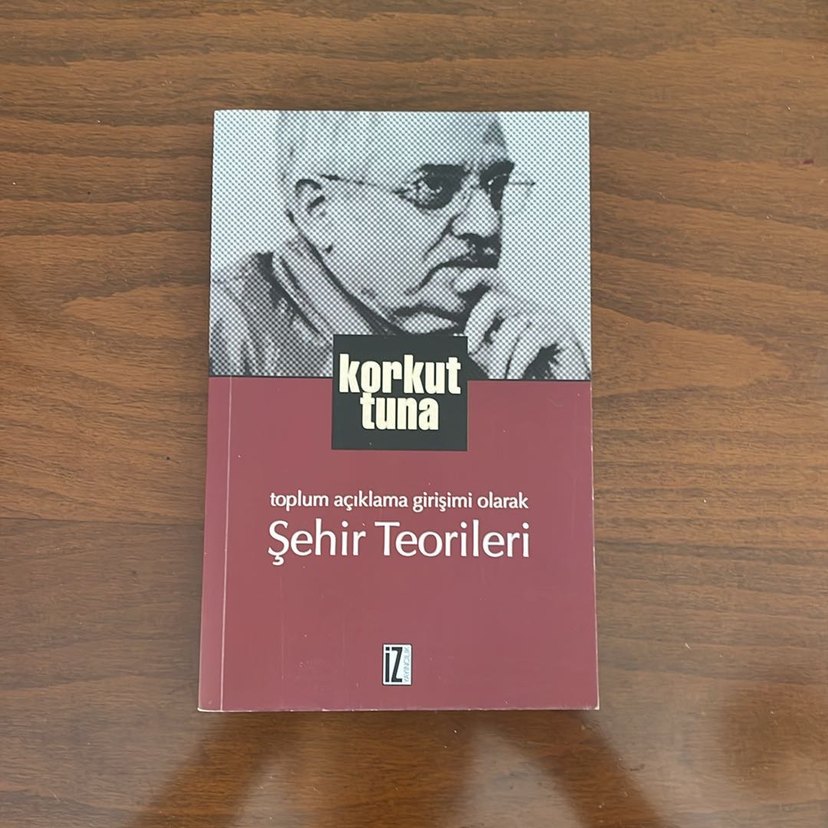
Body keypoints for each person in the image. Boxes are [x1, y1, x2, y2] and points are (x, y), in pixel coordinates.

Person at [209, 111, 589, 380]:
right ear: (319, 211)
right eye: (433, 187)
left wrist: (560, 402)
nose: (486, 223)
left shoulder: (503, 349)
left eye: (497, 188)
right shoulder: (224, 331)